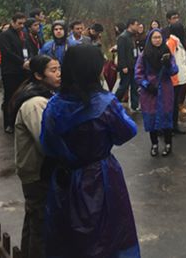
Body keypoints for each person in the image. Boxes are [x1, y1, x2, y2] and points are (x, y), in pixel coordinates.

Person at [40, 45, 140, 258]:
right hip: (101, 178)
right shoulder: (105, 103)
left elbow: (47, 144)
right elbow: (127, 131)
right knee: (108, 234)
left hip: (64, 179)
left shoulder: (54, 104)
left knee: (66, 237)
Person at [13, 54, 61, 258]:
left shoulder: (43, 95)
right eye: (53, 70)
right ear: (38, 75)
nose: (59, 74)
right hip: (37, 172)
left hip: (38, 171)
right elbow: (45, 141)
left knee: (34, 219)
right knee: (40, 226)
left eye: (59, 69)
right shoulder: (35, 103)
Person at [135, 28, 179, 156]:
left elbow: (174, 71)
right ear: (150, 39)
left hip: (165, 89)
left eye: (159, 37)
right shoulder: (144, 55)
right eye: (154, 37)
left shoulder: (167, 53)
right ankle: (154, 144)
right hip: (149, 91)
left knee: (166, 116)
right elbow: (138, 74)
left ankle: (168, 143)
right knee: (151, 118)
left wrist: (168, 65)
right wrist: (146, 85)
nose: (157, 40)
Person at [0, 13, 30, 133]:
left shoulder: (23, 35)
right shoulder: (5, 36)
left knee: (22, 96)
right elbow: (7, 52)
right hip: (10, 71)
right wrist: (22, 62)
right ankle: (8, 123)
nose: (21, 26)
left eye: (23, 23)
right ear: (13, 22)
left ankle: (20, 121)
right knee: (10, 97)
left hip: (24, 71)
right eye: (19, 23)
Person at [166, 22, 186, 134]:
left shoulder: (178, 42)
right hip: (174, 78)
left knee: (175, 104)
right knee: (172, 104)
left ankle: (174, 126)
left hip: (179, 77)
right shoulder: (171, 42)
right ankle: (170, 127)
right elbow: (169, 60)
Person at [115, 18, 140, 111]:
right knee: (124, 86)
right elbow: (121, 53)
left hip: (134, 65)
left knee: (135, 86)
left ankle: (135, 105)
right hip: (126, 66)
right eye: (136, 24)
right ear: (130, 25)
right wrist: (123, 66)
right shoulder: (123, 37)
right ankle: (114, 102)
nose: (137, 27)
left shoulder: (133, 36)